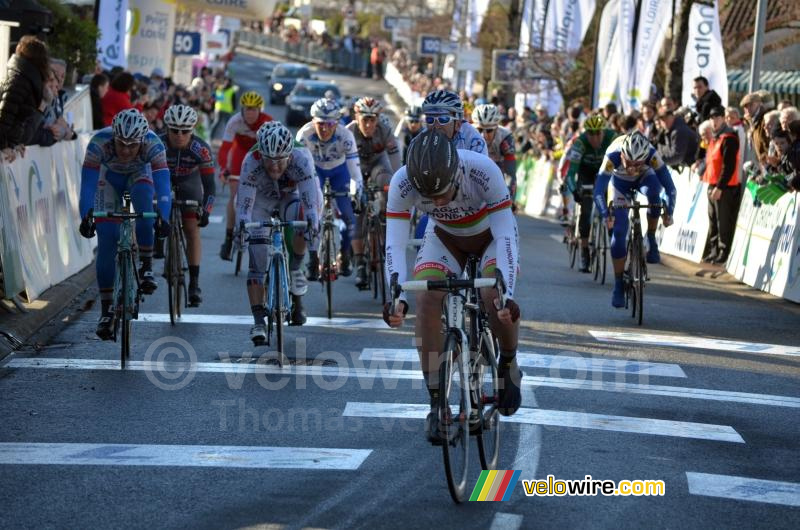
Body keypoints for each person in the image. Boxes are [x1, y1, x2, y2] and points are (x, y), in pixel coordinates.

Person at [383, 129, 522, 444]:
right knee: (427, 298)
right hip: (444, 237)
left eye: (442, 193)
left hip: (490, 238)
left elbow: (505, 237)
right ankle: (436, 400)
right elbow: (394, 242)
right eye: (428, 198)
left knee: (492, 296)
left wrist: (507, 293)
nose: (436, 201)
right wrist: (397, 297)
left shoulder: (483, 171)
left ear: (456, 173)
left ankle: (509, 362)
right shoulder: (402, 183)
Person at [78, 109, 172, 339]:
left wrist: (164, 216)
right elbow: (87, 186)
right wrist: (86, 216)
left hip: (139, 176)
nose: (127, 150)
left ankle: (147, 265)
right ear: (114, 139)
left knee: (144, 207)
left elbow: (163, 186)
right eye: (122, 144)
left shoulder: (153, 144)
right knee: (108, 239)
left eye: (133, 145)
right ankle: (107, 310)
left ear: (142, 140)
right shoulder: (99, 143)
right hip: (108, 179)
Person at [239, 121, 321, 341]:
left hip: (290, 196)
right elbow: (245, 206)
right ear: (260, 155)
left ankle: (295, 268)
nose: (274, 167)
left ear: (290, 155)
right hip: (261, 201)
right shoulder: (251, 161)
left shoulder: (302, 159)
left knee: (305, 218)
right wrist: (242, 229)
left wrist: (314, 255)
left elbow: (312, 206)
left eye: (280, 161)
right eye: (269, 161)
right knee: (257, 260)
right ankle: (258, 322)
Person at [593, 131, 676, 308]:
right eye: (629, 163)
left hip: (644, 179)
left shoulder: (652, 156)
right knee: (619, 232)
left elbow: (670, 188)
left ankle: (651, 236)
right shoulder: (612, 155)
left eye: (637, 164)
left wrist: (669, 211)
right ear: (622, 155)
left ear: (645, 158)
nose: (631, 168)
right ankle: (618, 284)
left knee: (655, 195)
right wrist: (605, 214)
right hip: (619, 184)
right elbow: (599, 190)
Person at [296, 98, 362, 278]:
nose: (325, 128)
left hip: (340, 172)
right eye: (320, 124)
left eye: (330, 123)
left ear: (337, 123)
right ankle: (312, 259)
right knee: (313, 214)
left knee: (349, 216)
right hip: (314, 170)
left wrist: (357, 191)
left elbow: (355, 170)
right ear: (313, 122)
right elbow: (298, 169)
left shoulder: (345, 136)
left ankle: (346, 254)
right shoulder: (304, 135)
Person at [157, 104, 216, 305]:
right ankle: (158, 244)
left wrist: (206, 211)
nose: (179, 135)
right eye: (174, 130)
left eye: (185, 131)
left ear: (192, 130)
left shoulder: (201, 149)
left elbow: (209, 186)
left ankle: (194, 283)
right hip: (162, 181)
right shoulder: (157, 145)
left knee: (191, 228)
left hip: (189, 183)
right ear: (167, 129)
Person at [346, 96, 401, 288]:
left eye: (373, 120)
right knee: (358, 213)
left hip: (378, 166)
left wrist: (396, 185)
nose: (369, 124)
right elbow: (342, 165)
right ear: (357, 117)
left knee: (387, 183)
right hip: (356, 168)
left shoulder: (385, 131)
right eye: (365, 119)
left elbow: (395, 162)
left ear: (378, 120)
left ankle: (384, 226)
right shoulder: (349, 132)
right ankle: (360, 264)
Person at [218, 91, 273, 261]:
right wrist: (223, 169)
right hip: (240, 154)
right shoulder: (235, 121)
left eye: (253, 109)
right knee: (235, 196)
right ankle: (228, 238)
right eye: (247, 109)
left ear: (259, 110)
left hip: (260, 155)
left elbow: (274, 150)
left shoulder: (268, 121)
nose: (250, 113)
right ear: (242, 110)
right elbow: (225, 148)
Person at [564, 115, 618, 272]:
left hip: (605, 171)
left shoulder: (612, 138)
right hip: (585, 172)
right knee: (586, 212)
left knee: (612, 205)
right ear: (586, 133)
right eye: (591, 133)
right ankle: (584, 251)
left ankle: (614, 242)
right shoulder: (580, 143)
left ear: (603, 132)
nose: (594, 137)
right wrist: (575, 191)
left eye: (598, 133)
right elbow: (570, 173)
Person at [0, 35, 49, 162]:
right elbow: (4, 116)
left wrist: (13, 144)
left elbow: (15, 119)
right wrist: (4, 146)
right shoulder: (19, 80)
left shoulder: (27, 80)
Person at [701, 106, 740, 264]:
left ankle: (724, 251)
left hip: (724, 187)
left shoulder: (729, 138)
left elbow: (728, 166)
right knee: (713, 220)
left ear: (723, 119)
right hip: (713, 184)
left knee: (723, 221)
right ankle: (714, 249)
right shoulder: (714, 138)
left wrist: (720, 187)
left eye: (717, 117)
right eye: (712, 118)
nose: (714, 121)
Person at [472, 104, 517, 207]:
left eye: (489, 130)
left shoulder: (505, 137)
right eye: (479, 130)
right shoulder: (466, 133)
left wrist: (510, 199)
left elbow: (510, 174)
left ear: (496, 127)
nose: (483, 135)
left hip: (498, 170)